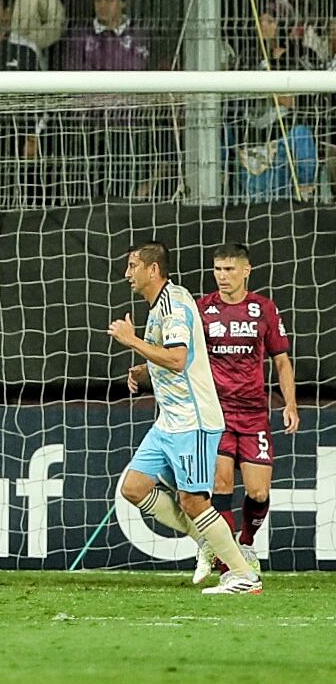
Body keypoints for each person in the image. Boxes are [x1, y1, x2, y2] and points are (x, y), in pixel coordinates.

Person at [114, 240, 262, 595]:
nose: (127, 274)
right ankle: (209, 541)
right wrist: (143, 371)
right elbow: (173, 360)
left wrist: (132, 341)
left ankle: (244, 574)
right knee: (134, 487)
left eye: (133, 266)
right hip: (169, 421)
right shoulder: (163, 304)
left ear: (153, 269)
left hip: (192, 422)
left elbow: (178, 359)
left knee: (194, 500)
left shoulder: (174, 306)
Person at [186, 243, 297, 581]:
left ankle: (246, 543)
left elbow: (281, 360)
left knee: (258, 491)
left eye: (230, 269)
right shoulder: (202, 309)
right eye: (218, 269)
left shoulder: (264, 309)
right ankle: (225, 557)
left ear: (246, 270)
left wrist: (289, 403)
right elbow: (180, 354)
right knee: (220, 483)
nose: (222, 276)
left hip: (253, 415)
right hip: (215, 415)